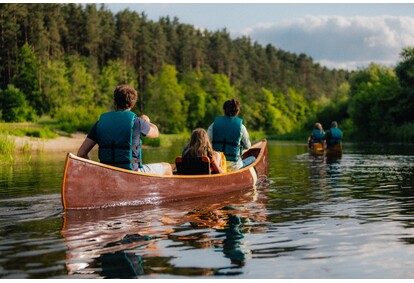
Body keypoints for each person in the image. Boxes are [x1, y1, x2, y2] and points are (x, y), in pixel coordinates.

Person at [77, 84, 172, 175]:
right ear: (133, 105)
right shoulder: (138, 122)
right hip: (131, 174)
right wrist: (147, 121)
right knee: (167, 167)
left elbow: (81, 154)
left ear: (115, 102)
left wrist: (98, 172)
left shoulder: (100, 123)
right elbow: (156, 133)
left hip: (106, 174)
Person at [207, 99, 255, 172]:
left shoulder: (214, 125)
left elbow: (206, 142)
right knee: (253, 158)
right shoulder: (241, 127)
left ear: (224, 110)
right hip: (235, 167)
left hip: (218, 165)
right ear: (237, 112)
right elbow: (248, 146)